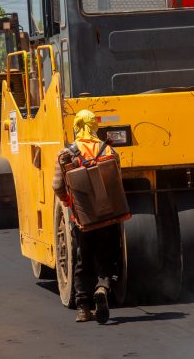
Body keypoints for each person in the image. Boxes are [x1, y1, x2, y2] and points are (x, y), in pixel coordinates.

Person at [52, 109, 120, 324]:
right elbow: (116, 183)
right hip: (108, 216)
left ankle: (83, 308)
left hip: (82, 220)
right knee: (107, 256)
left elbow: (57, 185)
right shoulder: (109, 151)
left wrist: (68, 202)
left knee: (83, 260)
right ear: (94, 127)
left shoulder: (66, 154)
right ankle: (102, 287)